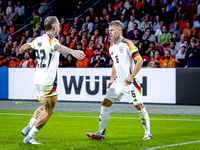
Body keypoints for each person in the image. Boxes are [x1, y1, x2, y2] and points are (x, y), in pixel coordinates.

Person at [20, 16, 85, 144]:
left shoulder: (38, 39)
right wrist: (72, 51)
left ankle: (28, 128)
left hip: (37, 80)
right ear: (54, 27)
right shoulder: (52, 40)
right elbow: (59, 48)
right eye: (59, 25)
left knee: (44, 106)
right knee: (49, 111)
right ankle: (30, 137)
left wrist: (22, 47)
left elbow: (28, 45)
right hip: (48, 81)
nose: (60, 27)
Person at [86, 20, 152, 141]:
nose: (109, 32)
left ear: (119, 30)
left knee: (139, 107)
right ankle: (101, 133)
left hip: (130, 83)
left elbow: (140, 61)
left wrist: (132, 76)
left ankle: (147, 133)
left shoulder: (128, 43)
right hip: (118, 83)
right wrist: (112, 79)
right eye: (109, 30)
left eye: (112, 30)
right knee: (105, 104)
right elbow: (115, 64)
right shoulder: (111, 47)